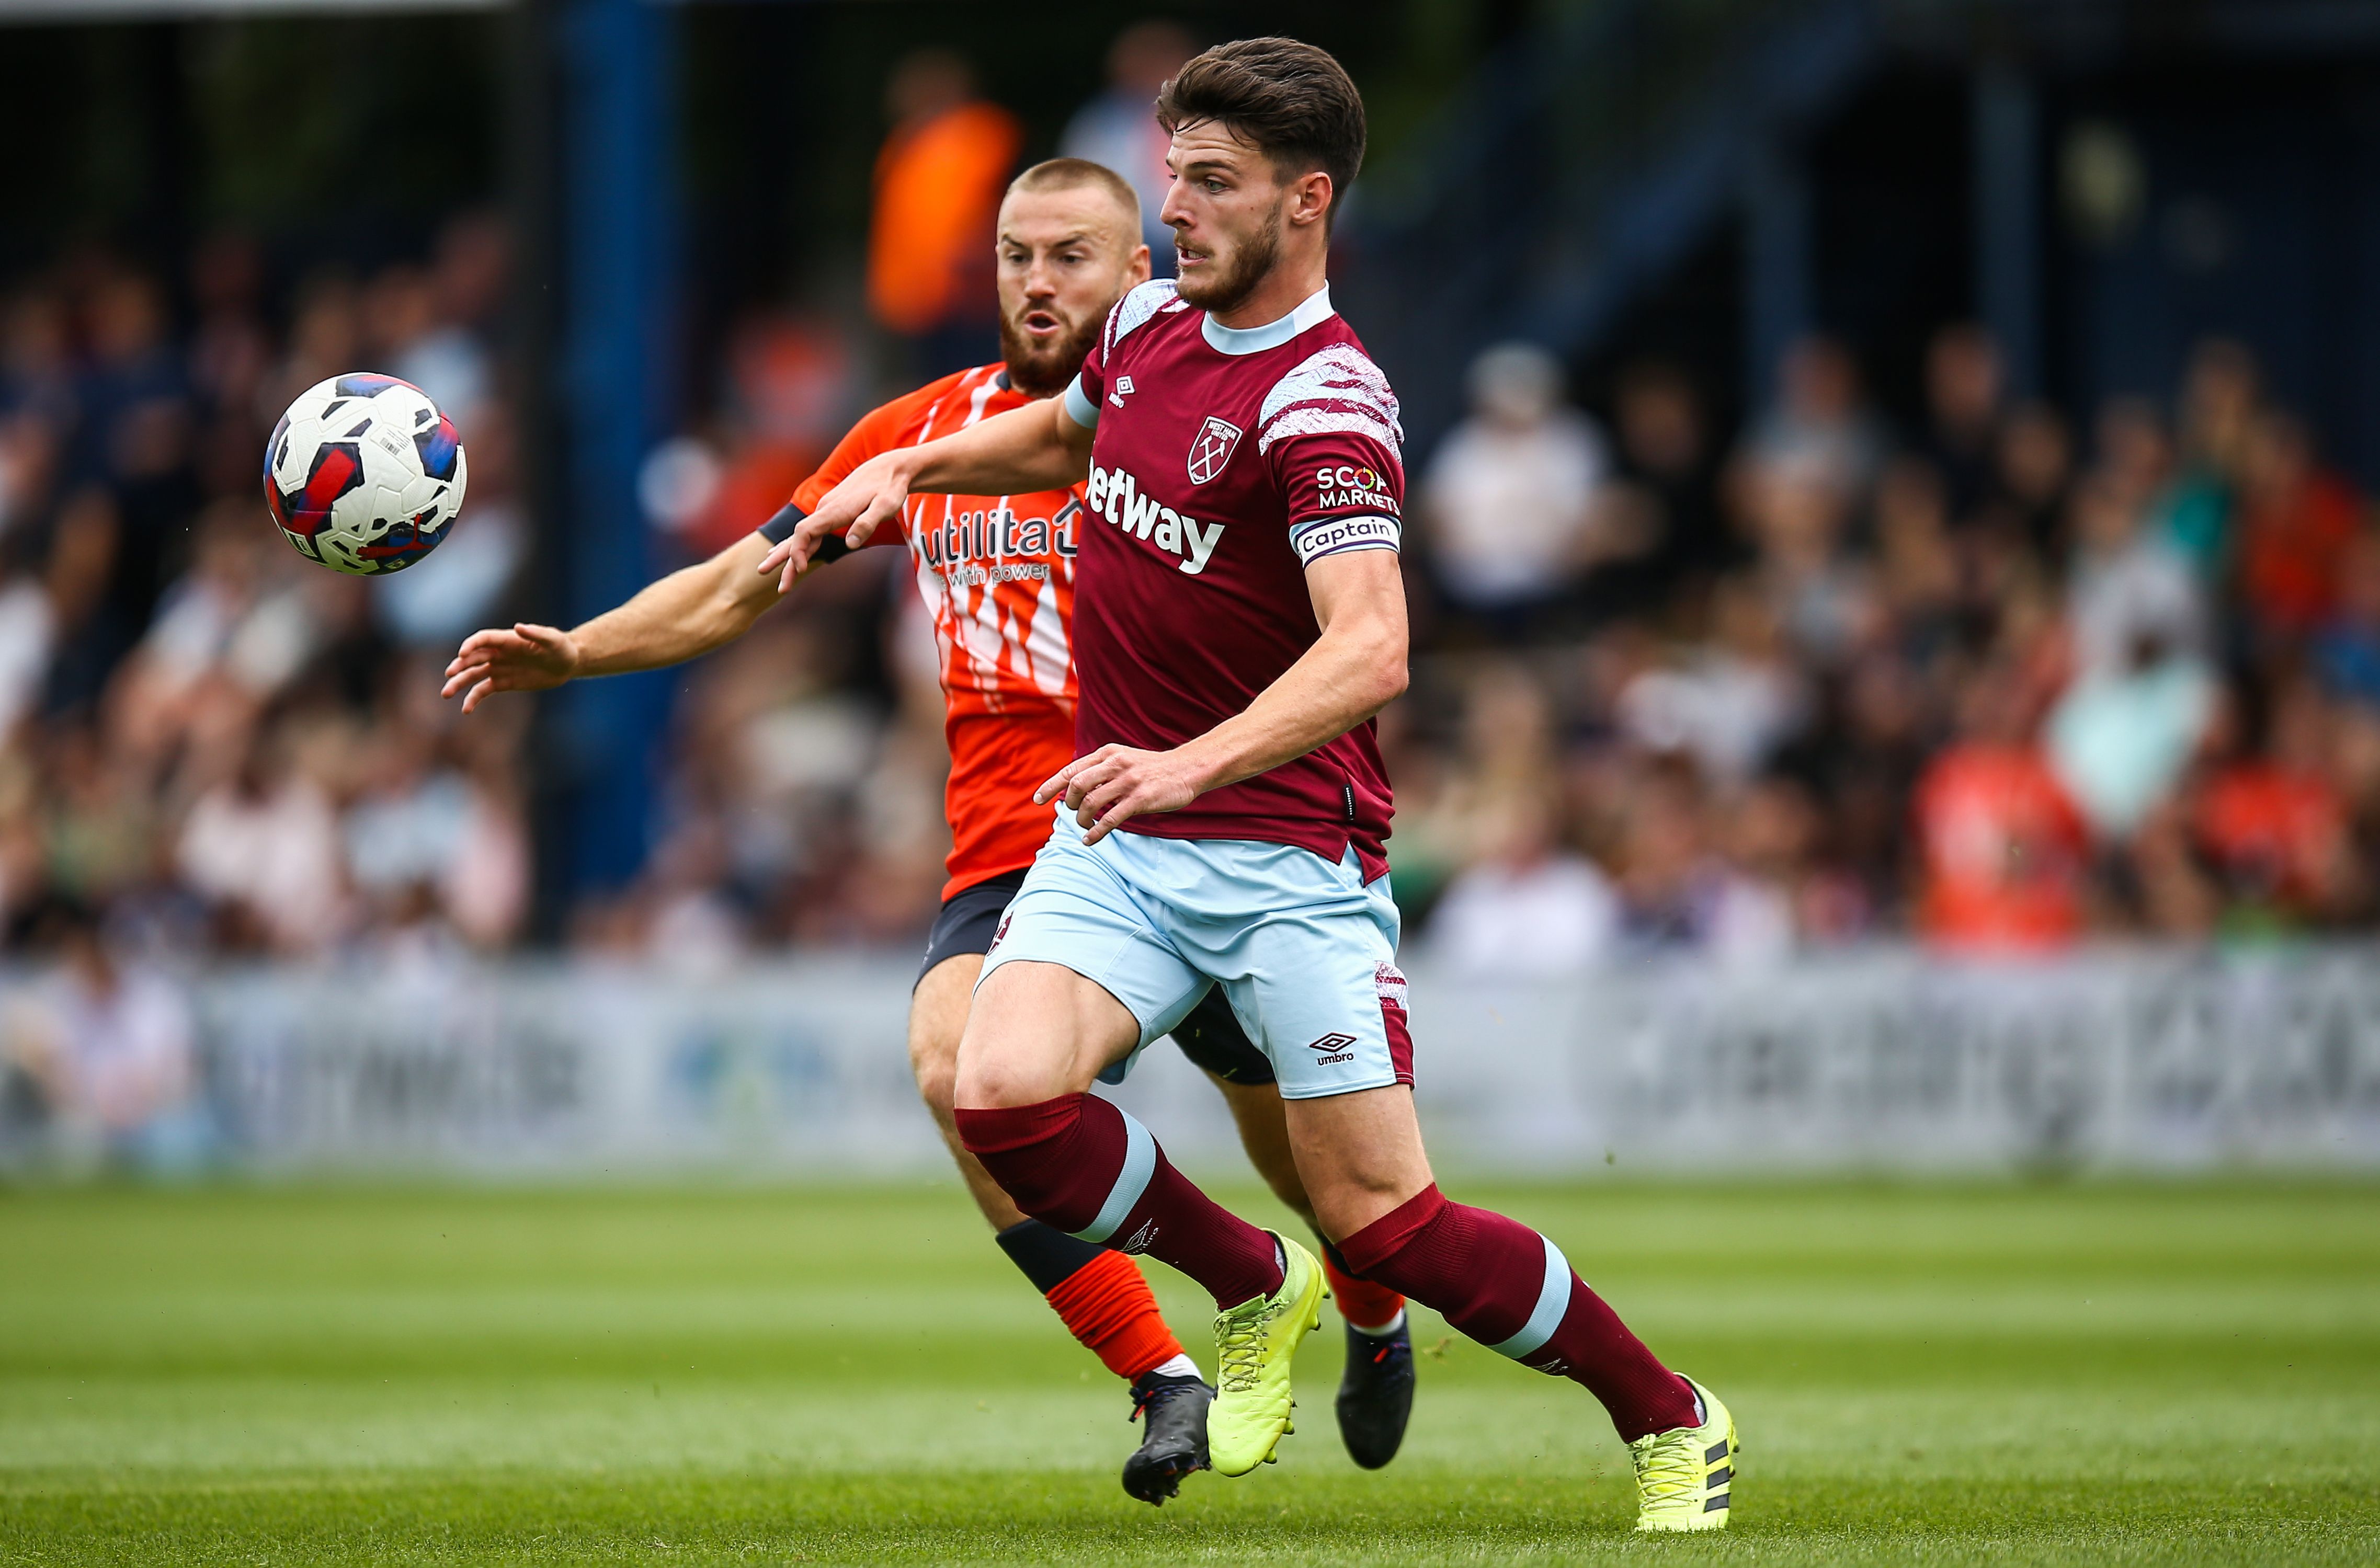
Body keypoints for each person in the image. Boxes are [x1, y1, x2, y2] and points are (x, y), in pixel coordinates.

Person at [764, 37, 1735, 1532]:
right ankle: (1248, 1283)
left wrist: (1186, 763)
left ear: (1306, 202)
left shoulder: (1329, 405)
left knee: (1392, 1224)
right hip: (1129, 840)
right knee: (997, 1093)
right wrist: (919, 472)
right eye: (1174, 178)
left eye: (1213, 184)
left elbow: (1374, 649)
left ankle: (1669, 1416)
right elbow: (1060, 432)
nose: (1179, 212)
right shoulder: (1148, 326)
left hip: (1285, 857)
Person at [442, 157, 1414, 1504]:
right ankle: (1164, 1376)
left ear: (1139, 274)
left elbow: (1335, 620)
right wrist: (582, 651)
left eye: (1072, 255)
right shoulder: (921, 433)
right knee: (959, 1071)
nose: (1036, 281)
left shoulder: (1189, 412)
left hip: (1201, 824)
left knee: (1316, 1169)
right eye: (1016, 254)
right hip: (1023, 845)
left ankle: (1370, 1310)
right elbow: (746, 580)